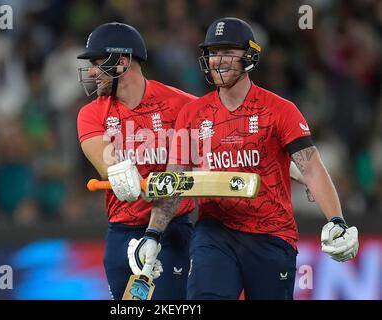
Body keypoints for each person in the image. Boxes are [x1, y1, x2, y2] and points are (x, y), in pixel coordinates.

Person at [128, 17, 359, 300]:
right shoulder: (192, 115)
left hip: (272, 235)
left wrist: (336, 220)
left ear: (249, 56)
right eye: (213, 53)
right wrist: (152, 234)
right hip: (214, 233)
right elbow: (175, 182)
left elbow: (310, 167)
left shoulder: (280, 110)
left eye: (227, 52)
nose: (218, 60)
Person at [76, 22, 197, 300]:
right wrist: (119, 174)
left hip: (173, 231)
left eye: (96, 63)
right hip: (122, 230)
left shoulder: (181, 105)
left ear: (122, 61)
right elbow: (113, 170)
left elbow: (224, 137)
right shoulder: (91, 113)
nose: (92, 71)